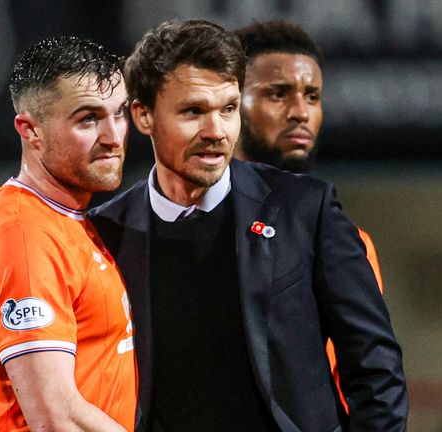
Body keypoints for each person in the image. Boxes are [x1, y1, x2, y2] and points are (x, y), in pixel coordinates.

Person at [90, 19, 408, 431]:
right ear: (143, 115)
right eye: (193, 112)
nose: (216, 131)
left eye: (228, 109)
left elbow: (374, 366)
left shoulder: (307, 210)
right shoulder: (106, 232)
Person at [0, 36, 136, 431]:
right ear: (30, 130)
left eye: (119, 113)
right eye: (88, 118)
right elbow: (56, 417)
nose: (113, 137)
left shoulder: (67, 220)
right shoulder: (24, 235)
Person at [233, 20, 385, 412]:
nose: (300, 112)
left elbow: (368, 371)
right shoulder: (186, 224)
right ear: (229, 103)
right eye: (278, 93)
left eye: (312, 96)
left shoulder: (352, 242)